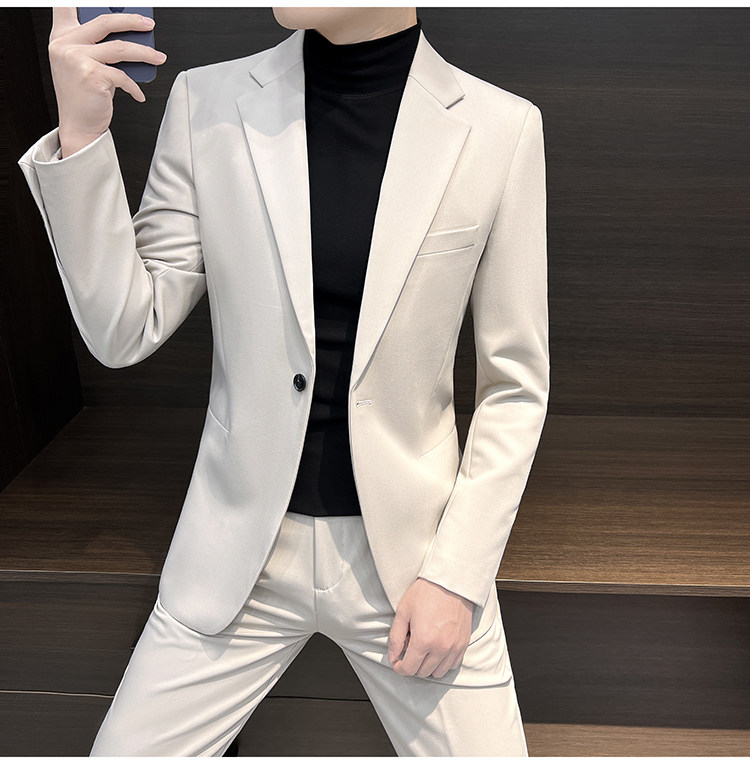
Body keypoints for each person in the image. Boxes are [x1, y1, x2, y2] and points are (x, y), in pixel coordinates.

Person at [17, 6, 548, 757]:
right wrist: (82, 134)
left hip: (415, 564)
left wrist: (457, 577)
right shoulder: (207, 103)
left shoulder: (501, 128)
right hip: (236, 560)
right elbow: (124, 328)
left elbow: (515, 385)